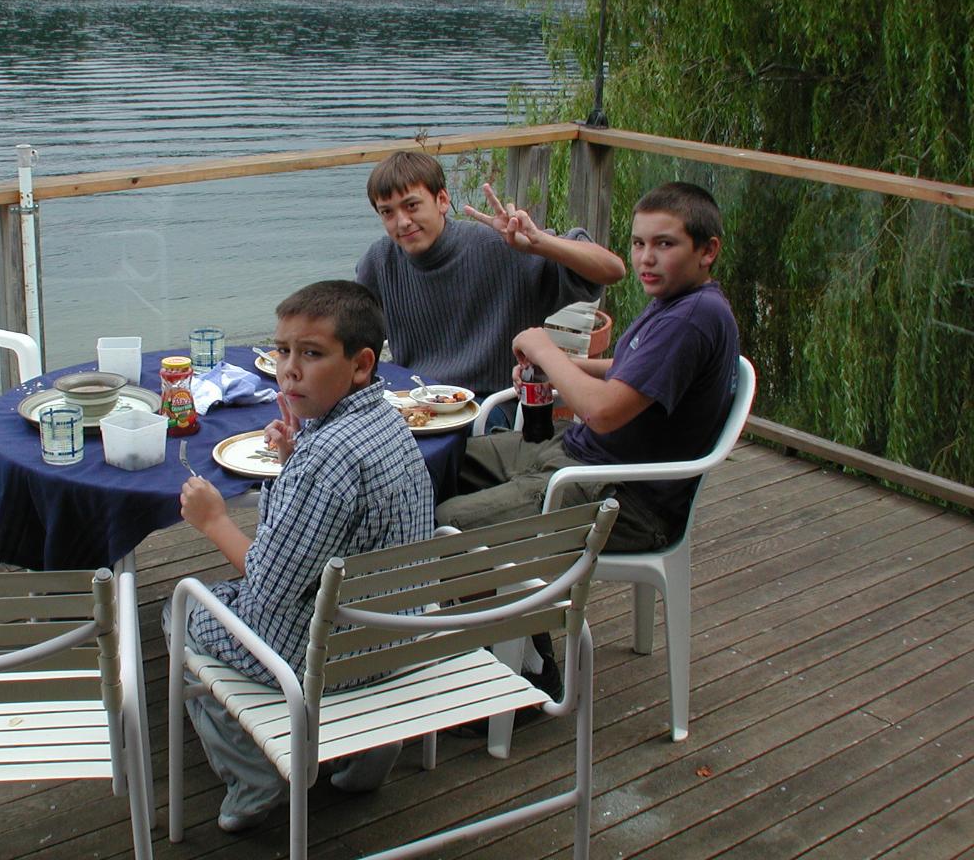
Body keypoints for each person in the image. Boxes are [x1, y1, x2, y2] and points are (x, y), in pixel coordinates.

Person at [169, 279, 434, 833]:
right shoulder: (388, 423)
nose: (289, 369)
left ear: (360, 365)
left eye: (310, 354)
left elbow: (266, 585)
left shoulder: (325, 460)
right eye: (282, 351)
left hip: (325, 658)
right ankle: (367, 758)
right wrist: (295, 452)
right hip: (393, 631)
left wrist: (215, 521)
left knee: (182, 611)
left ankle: (256, 774)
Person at [436, 181, 741, 555]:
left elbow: (601, 413)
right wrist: (562, 365)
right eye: (638, 243)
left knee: (447, 520)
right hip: (580, 454)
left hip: (625, 500)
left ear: (707, 250)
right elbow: (632, 369)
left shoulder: (692, 318)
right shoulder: (680, 300)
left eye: (665, 244)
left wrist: (545, 349)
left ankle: (486, 611)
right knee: (438, 464)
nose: (646, 258)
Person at [355, 150, 626, 399]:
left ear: (442, 200)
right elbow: (353, 338)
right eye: (387, 212)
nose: (402, 221)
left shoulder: (502, 248)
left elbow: (612, 271)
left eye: (412, 206)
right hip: (416, 403)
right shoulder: (380, 261)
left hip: (493, 405)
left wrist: (539, 242)